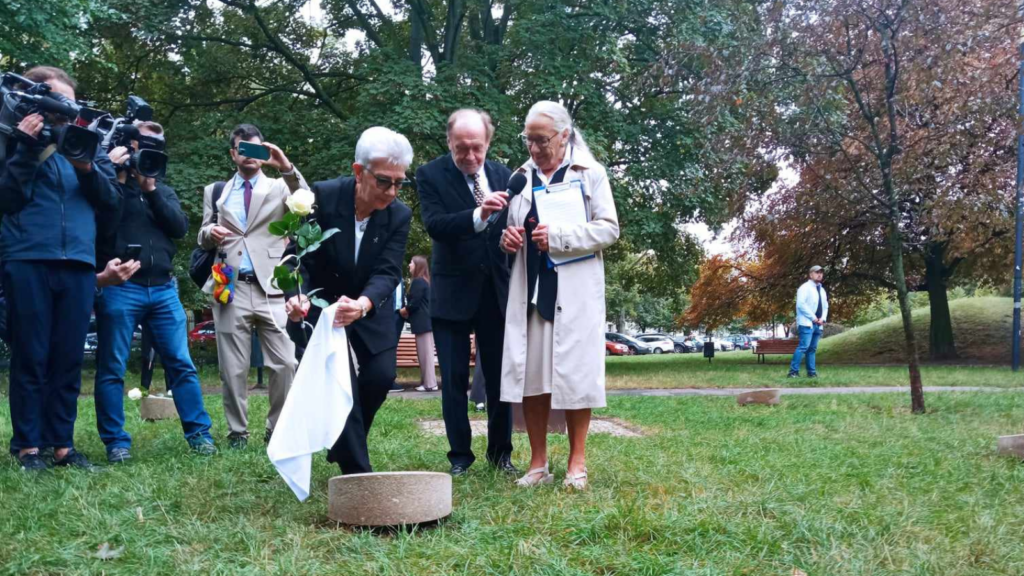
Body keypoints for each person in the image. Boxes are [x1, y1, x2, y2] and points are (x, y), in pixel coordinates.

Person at [0, 66, 122, 471]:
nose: (64, 111)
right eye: (57, 101)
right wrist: (26, 148)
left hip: (79, 263)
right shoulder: (12, 138)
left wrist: (86, 166)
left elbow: (111, 201)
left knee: (69, 356)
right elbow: (8, 200)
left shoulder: (90, 143)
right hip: (27, 256)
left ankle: (63, 445)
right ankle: (27, 446)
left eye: (69, 103)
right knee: (31, 353)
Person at [499, 101, 620, 490]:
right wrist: (509, 238)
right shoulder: (520, 177)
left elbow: (609, 230)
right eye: (528, 140)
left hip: (575, 291)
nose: (534, 148)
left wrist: (561, 238)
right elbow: (513, 229)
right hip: (532, 291)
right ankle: (537, 464)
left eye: (541, 140)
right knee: (533, 377)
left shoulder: (590, 174)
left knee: (575, 376)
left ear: (565, 136)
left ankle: (577, 464)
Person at [285, 126, 412, 475]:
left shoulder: (399, 214)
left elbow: (388, 272)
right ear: (359, 172)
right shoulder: (322, 197)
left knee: (380, 377)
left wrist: (363, 304)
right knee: (341, 381)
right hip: (321, 306)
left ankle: (343, 441)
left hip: (369, 305)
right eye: (384, 181)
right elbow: (296, 257)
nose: (392, 191)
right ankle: (358, 474)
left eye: (400, 183)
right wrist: (296, 296)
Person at [92, 121, 217, 462]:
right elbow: (103, 230)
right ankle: (116, 442)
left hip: (163, 289)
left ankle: (200, 435)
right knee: (112, 367)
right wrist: (117, 178)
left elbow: (178, 228)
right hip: (121, 289)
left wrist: (150, 188)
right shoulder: (109, 188)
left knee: (181, 364)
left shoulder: (162, 189)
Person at [416, 108, 516, 477]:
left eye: (477, 148)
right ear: (449, 142)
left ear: (488, 143)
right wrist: (479, 215)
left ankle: (500, 454)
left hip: (496, 294)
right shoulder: (429, 175)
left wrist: (514, 240)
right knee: (454, 380)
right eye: (461, 149)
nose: (470, 157)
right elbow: (436, 225)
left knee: (500, 379)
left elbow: (517, 225)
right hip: (451, 295)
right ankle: (460, 457)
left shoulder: (507, 175)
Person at [197, 123, 308, 449]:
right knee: (232, 369)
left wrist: (285, 165)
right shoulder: (215, 191)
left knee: (286, 362)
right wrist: (211, 233)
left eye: (257, 149)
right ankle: (237, 434)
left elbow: (306, 200)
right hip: (229, 286)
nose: (250, 156)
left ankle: (277, 428)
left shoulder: (278, 188)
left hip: (273, 287)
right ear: (233, 153)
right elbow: (202, 236)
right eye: (244, 149)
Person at [788, 265, 829, 378]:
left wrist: (822, 318)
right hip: (807, 323)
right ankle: (793, 372)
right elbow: (801, 305)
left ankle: (811, 373)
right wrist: (813, 318)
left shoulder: (822, 290)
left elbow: (825, 306)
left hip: (818, 323)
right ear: (811, 274)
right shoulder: (804, 288)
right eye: (817, 272)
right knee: (803, 347)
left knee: (812, 349)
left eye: (821, 272)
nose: (819, 274)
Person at [404, 255, 437, 392]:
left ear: (418, 265)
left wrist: (403, 311)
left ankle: (430, 384)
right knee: (425, 354)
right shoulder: (425, 281)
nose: (409, 265)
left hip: (423, 324)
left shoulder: (418, 282)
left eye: (411, 263)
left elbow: (414, 304)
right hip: (425, 324)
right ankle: (426, 382)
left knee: (426, 355)